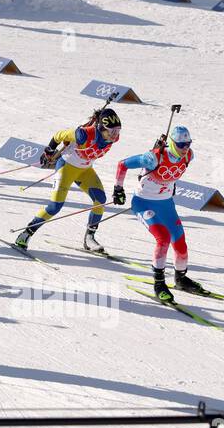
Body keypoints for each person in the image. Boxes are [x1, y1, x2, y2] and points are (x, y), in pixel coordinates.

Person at [14, 107, 122, 253]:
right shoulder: (84, 134)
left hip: (85, 170)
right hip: (67, 168)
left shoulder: (112, 139)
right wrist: (49, 150)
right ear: (101, 128)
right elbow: (59, 135)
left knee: (100, 200)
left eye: (117, 131)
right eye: (112, 131)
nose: (115, 136)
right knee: (55, 207)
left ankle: (89, 238)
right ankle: (26, 234)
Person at [114, 125, 203, 303]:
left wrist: (171, 184)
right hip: (143, 203)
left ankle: (180, 279)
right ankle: (159, 284)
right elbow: (122, 164)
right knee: (163, 238)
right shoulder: (153, 158)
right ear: (172, 142)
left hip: (166, 204)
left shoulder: (189, 155)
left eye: (188, 144)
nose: (185, 149)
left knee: (180, 241)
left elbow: (173, 171)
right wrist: (118, 188)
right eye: (181, 145)